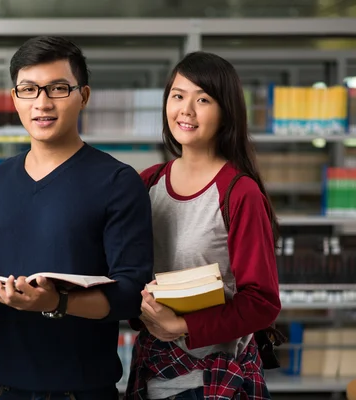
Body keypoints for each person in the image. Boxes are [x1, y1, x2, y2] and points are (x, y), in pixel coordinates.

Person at [0, 35, 154, 399]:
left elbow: (130, 293)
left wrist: (56, 303)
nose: (42, 103)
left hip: (83, 388)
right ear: (15, 98)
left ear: (83, 96)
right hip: (2, 385)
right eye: (29, 89)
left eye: (58, 88)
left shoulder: (118, 182)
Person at [123, 51, 282, 400]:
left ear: (226, 112)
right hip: (155, 367)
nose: (186, 110)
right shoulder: (146, 183)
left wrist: (181, 326)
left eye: (204, 99)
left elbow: (262, 301)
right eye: (178, 96)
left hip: (218, 376)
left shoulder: (239, 193)